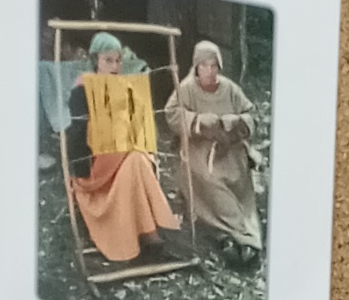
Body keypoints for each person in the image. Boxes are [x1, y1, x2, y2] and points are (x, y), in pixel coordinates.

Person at [66, 26, 180, 265]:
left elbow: (137, 123)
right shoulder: (83, 88)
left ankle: (148, 236)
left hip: (123, 155)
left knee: (137, 159)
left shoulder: (124, 87)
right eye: (108, 60)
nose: (114, 66)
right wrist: (81, 170)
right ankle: (147, 237)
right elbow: (77, 134)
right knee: (134, 158)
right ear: (95, 60)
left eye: (117, 60)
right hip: (95, 165)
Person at [167, 36, 262, 265]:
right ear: (196, 67)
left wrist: (237, 121)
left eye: (213, 66)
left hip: (230, 151)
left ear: (219, 66)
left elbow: (252, 115)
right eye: (204, 66)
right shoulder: (187, 89)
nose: (209, 71)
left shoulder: (229, 89)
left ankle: (237, 235)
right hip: (199, 151)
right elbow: (171, 114)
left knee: (239, 181)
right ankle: (240, 234)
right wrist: (198, 120)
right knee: (209, 179)